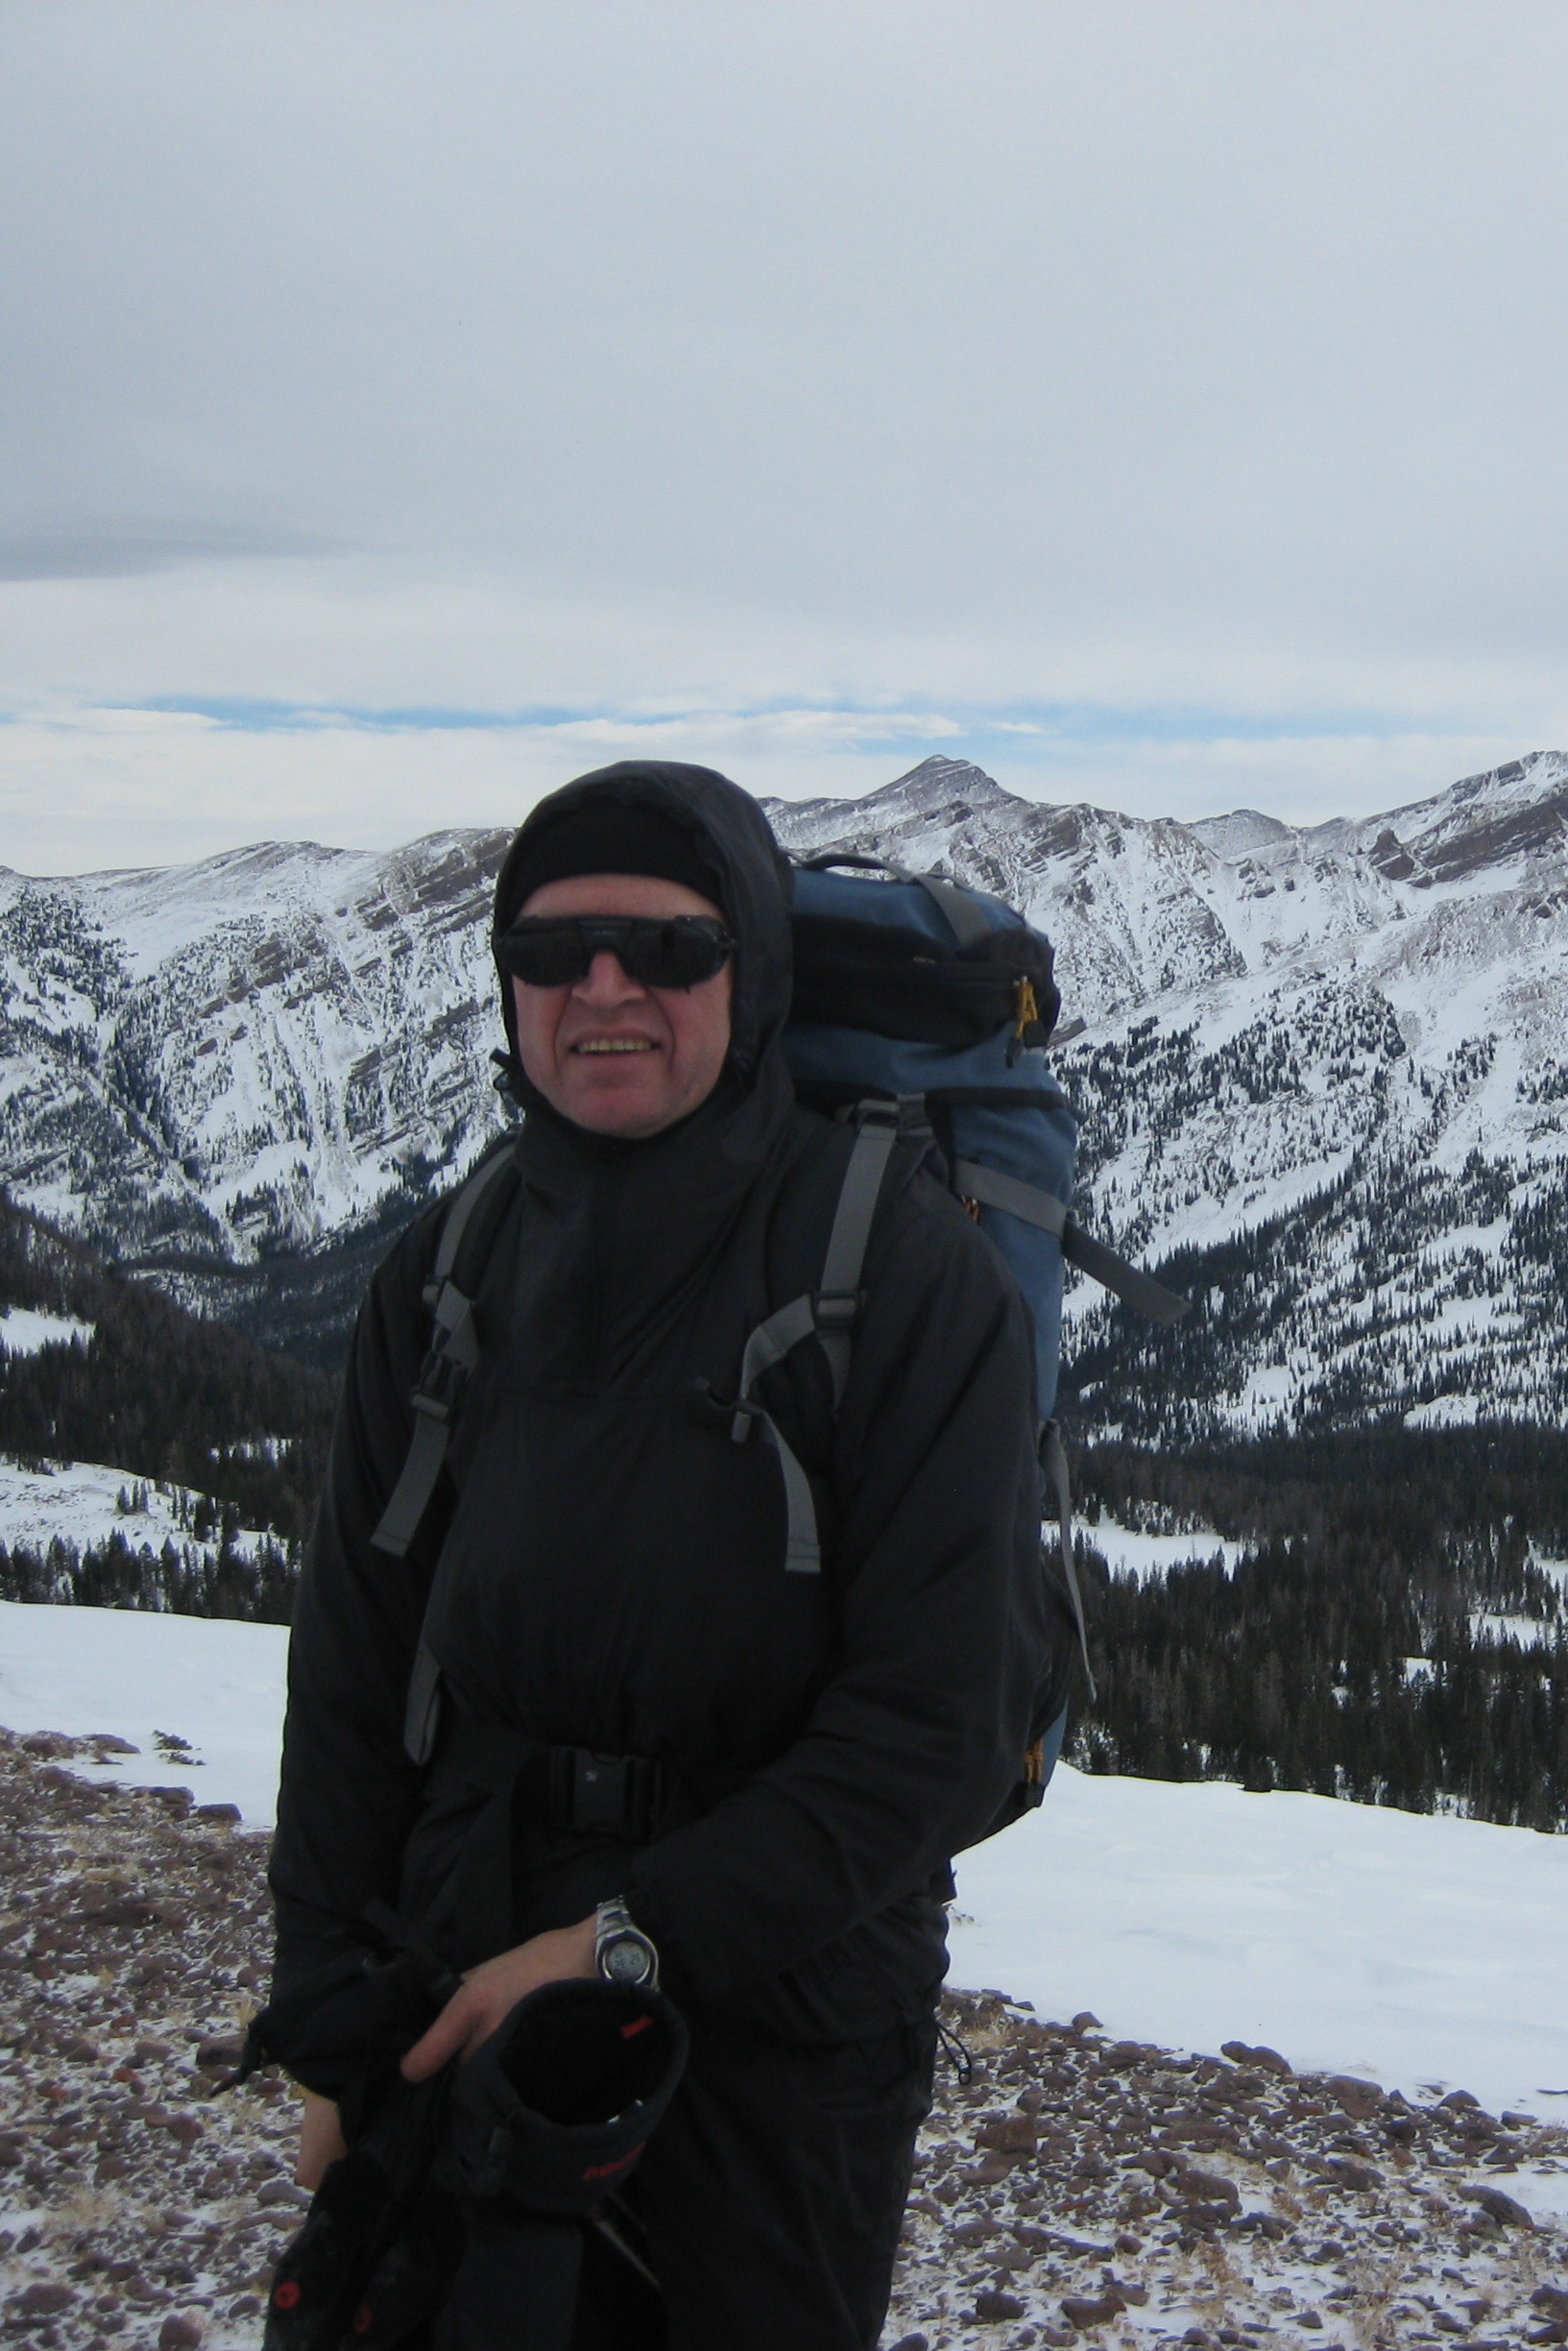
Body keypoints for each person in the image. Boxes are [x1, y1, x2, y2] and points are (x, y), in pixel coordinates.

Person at [268, 760, 1037, 2346]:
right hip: (459, 1957)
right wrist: (330, 2024)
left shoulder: (894, 1269)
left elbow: (940, 1724)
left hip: (777, 2016)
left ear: (748, 974)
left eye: (669, 949)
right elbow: (353, 1659)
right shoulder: (452, 1265)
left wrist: (628, 1945)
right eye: (552, 951)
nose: (605, 987)